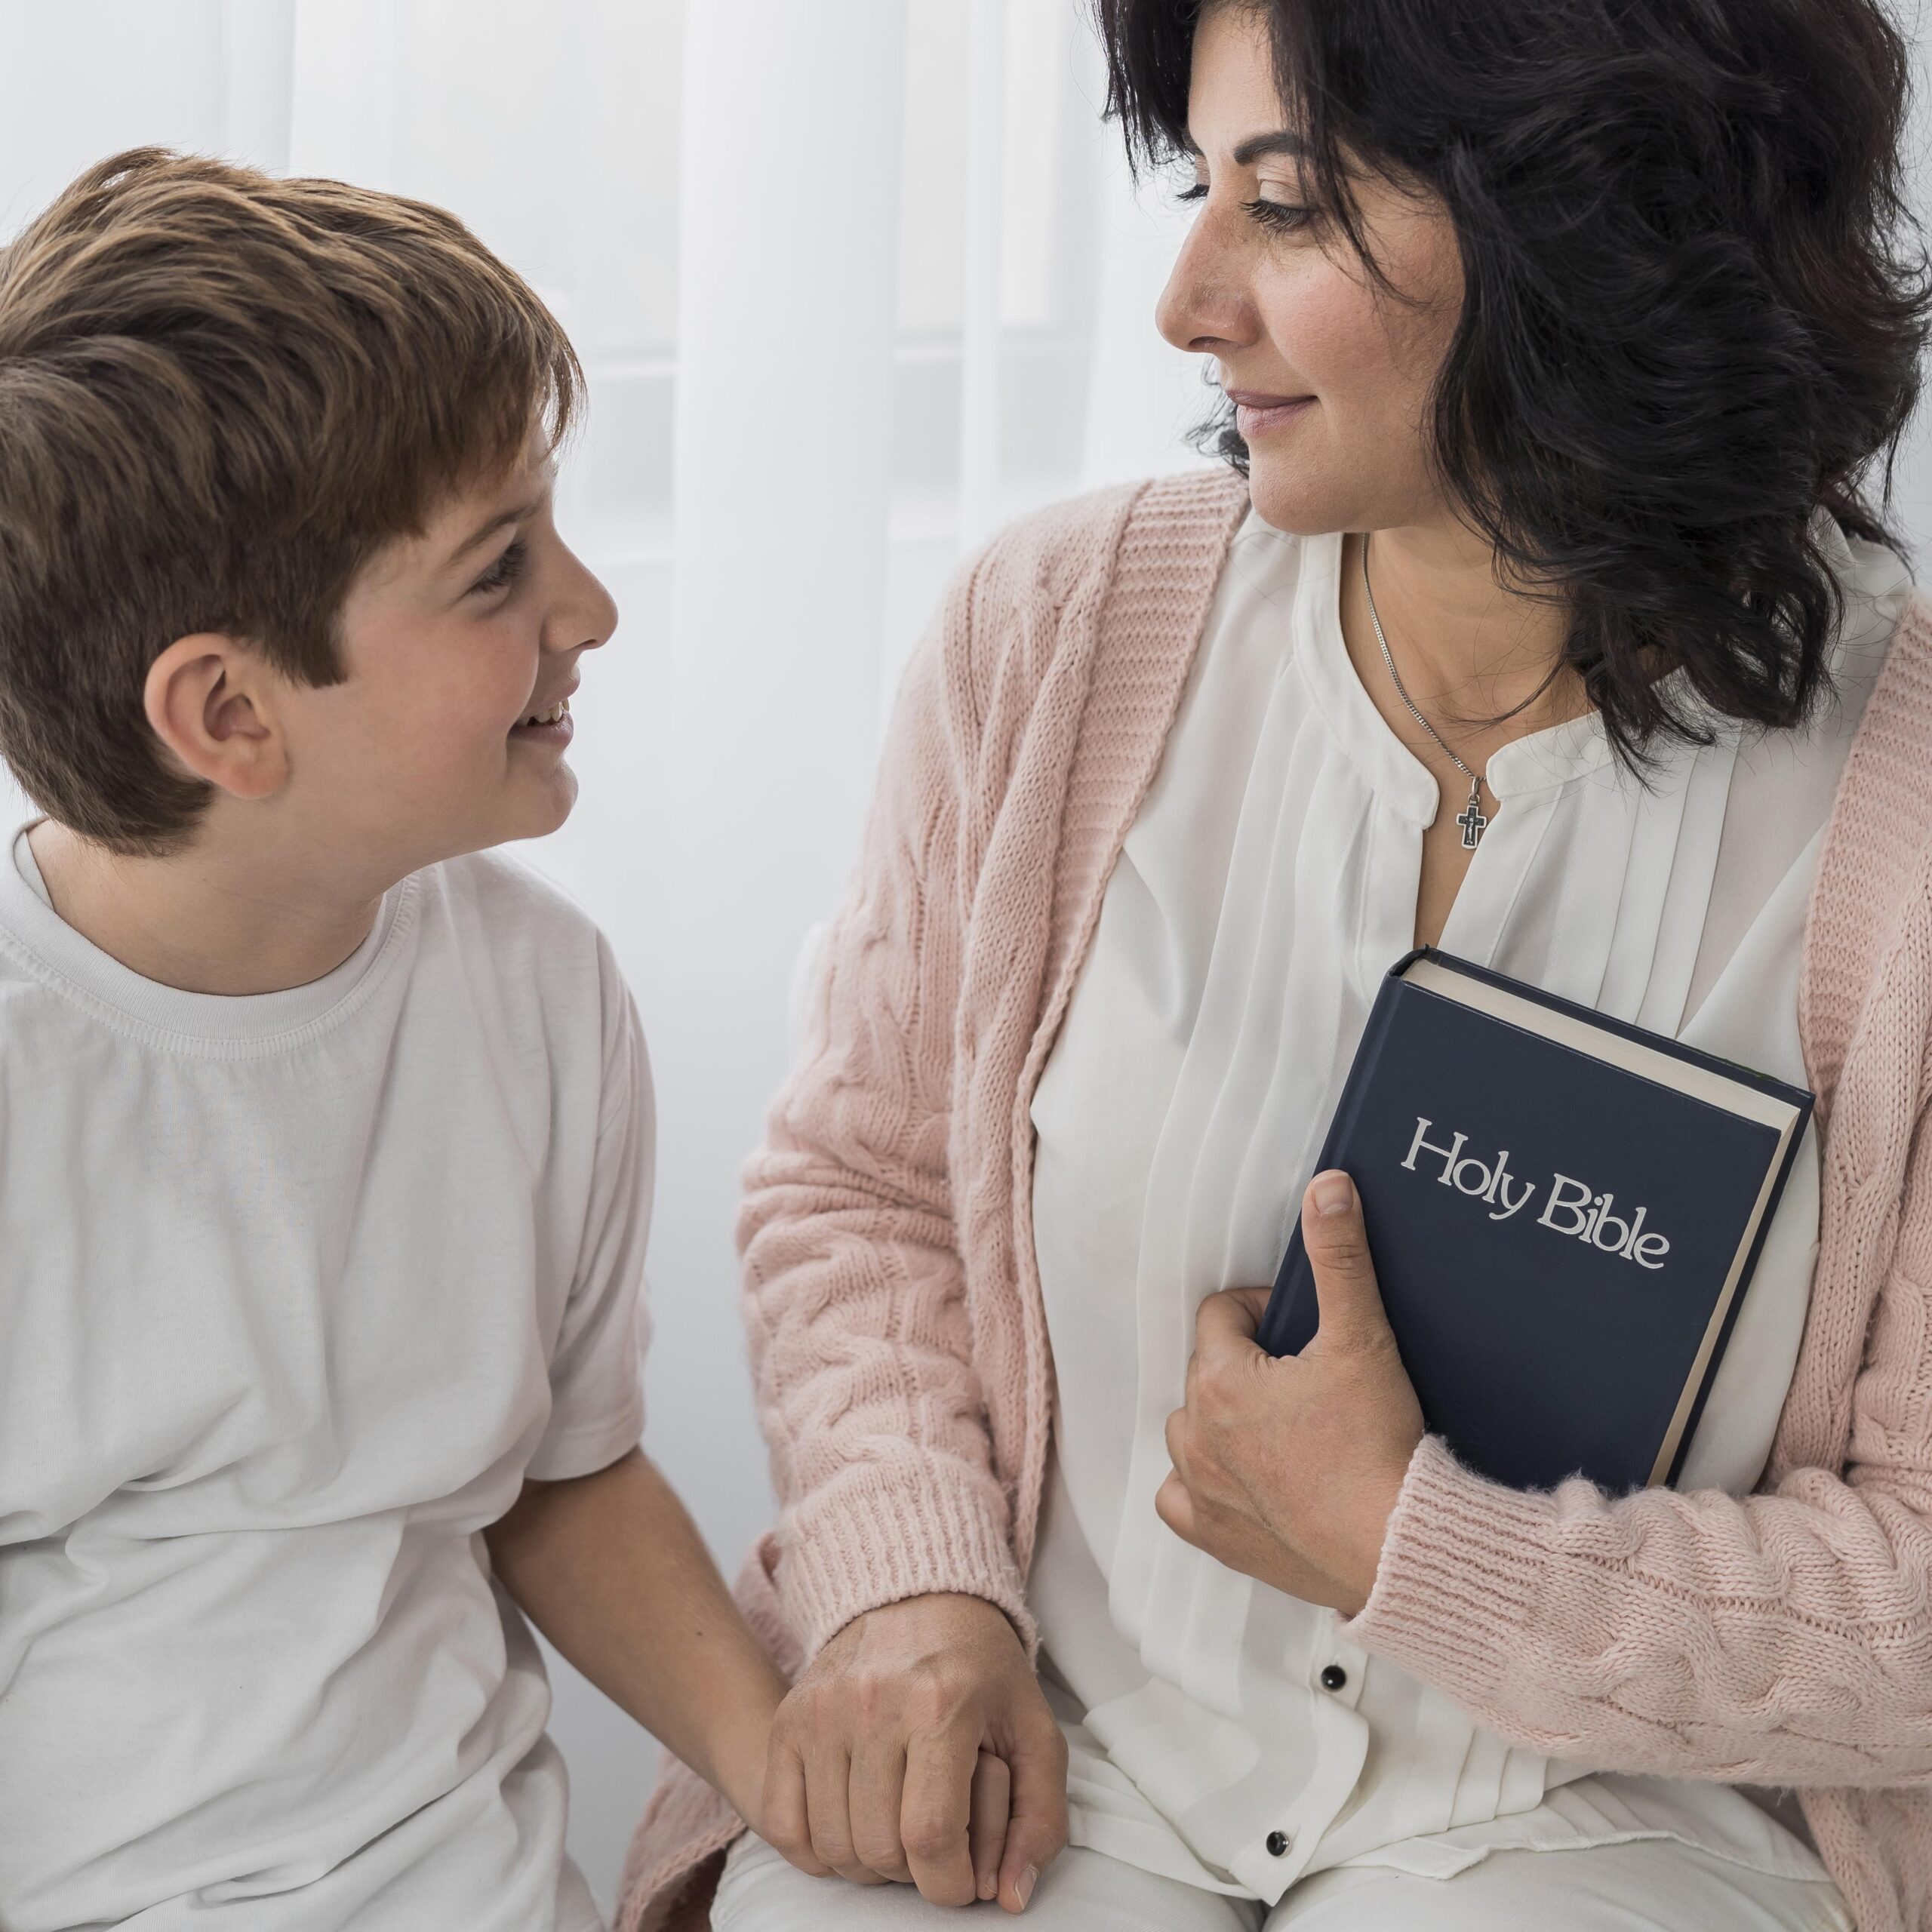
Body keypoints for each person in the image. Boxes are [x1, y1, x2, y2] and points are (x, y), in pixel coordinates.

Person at [625, 0, 1932, 1927]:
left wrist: (1422, 1547)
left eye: (1290, 207)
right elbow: (862, 1188)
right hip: (1058, 1740)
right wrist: (912, 1579)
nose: (1184, 299)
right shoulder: (1049, 635)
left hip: (1607, 1816)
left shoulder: (1894, 808)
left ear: (1588, 234)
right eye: (1194, 190)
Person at [0, 149, 789, 1931]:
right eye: (498, 568)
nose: (585, 608)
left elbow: (559, 1484)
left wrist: (782, 1765)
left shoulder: (538, 997)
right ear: (228, 713)